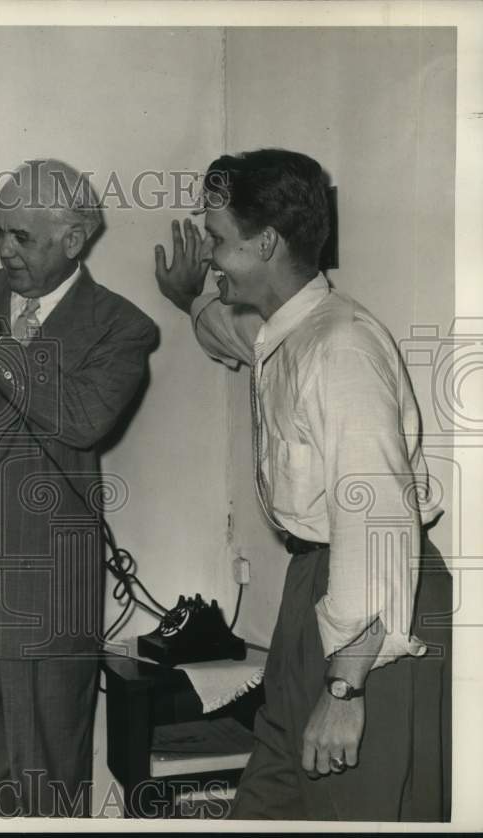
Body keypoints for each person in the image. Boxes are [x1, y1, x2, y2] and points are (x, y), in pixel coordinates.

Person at [153, 148, 451, 821]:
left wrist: (345, 692)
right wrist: (189, 298)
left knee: (356, 805)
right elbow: (233, 336)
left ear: (264, 242)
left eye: (217, 239)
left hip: (374, 606)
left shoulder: (341, 347)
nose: (209, 255)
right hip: (313, 589)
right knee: (274, 791)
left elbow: (376, 519)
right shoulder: (289, 335)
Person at [0, 159, 159, 817]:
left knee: (47, 797)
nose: (4, 250)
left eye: (23, 237)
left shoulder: (120, 326)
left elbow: (83, 419)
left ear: (73, 240)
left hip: (50, 602)